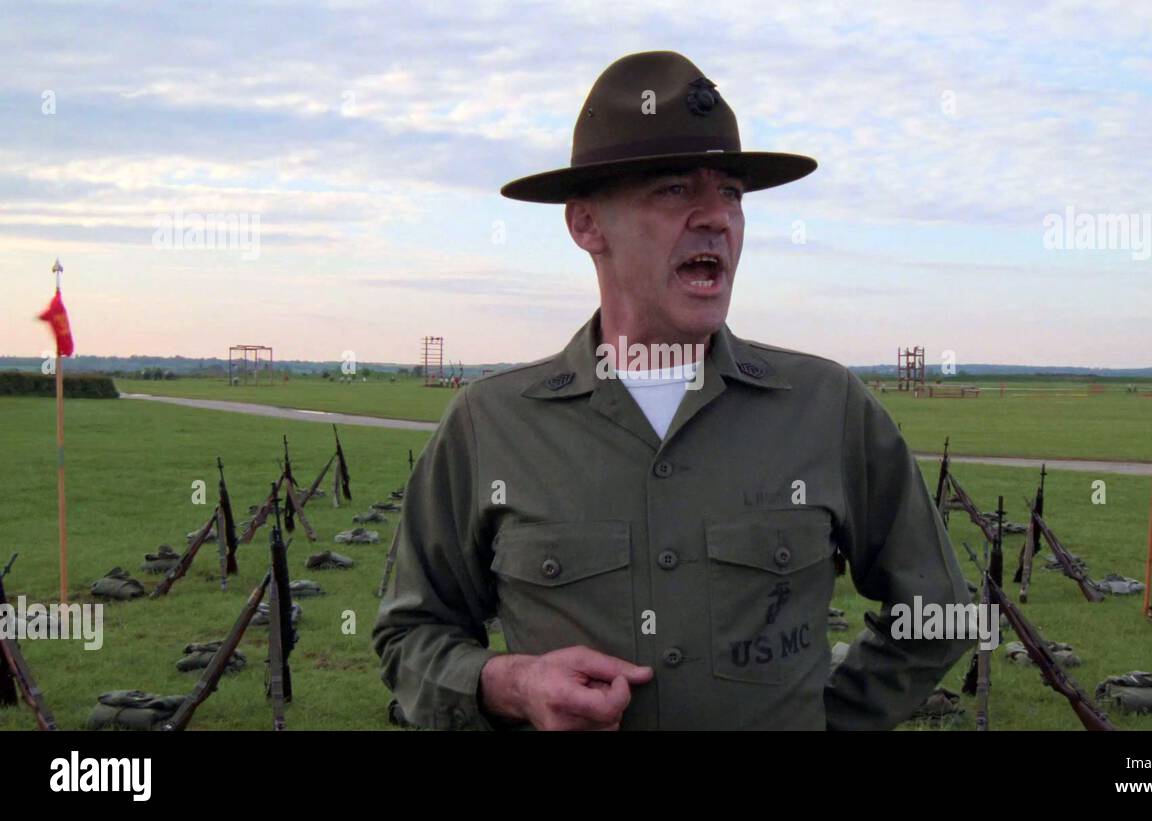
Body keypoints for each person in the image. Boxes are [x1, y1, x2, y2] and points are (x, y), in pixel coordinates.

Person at [373, 51, 972, 731]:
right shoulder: (491, 425)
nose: (715, 217)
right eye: (674, 190)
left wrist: (818, 718)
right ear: (586, 224)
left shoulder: (827, 408)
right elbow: (409, 635)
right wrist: (511, 683)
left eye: (732, 193)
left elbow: (939, 613)